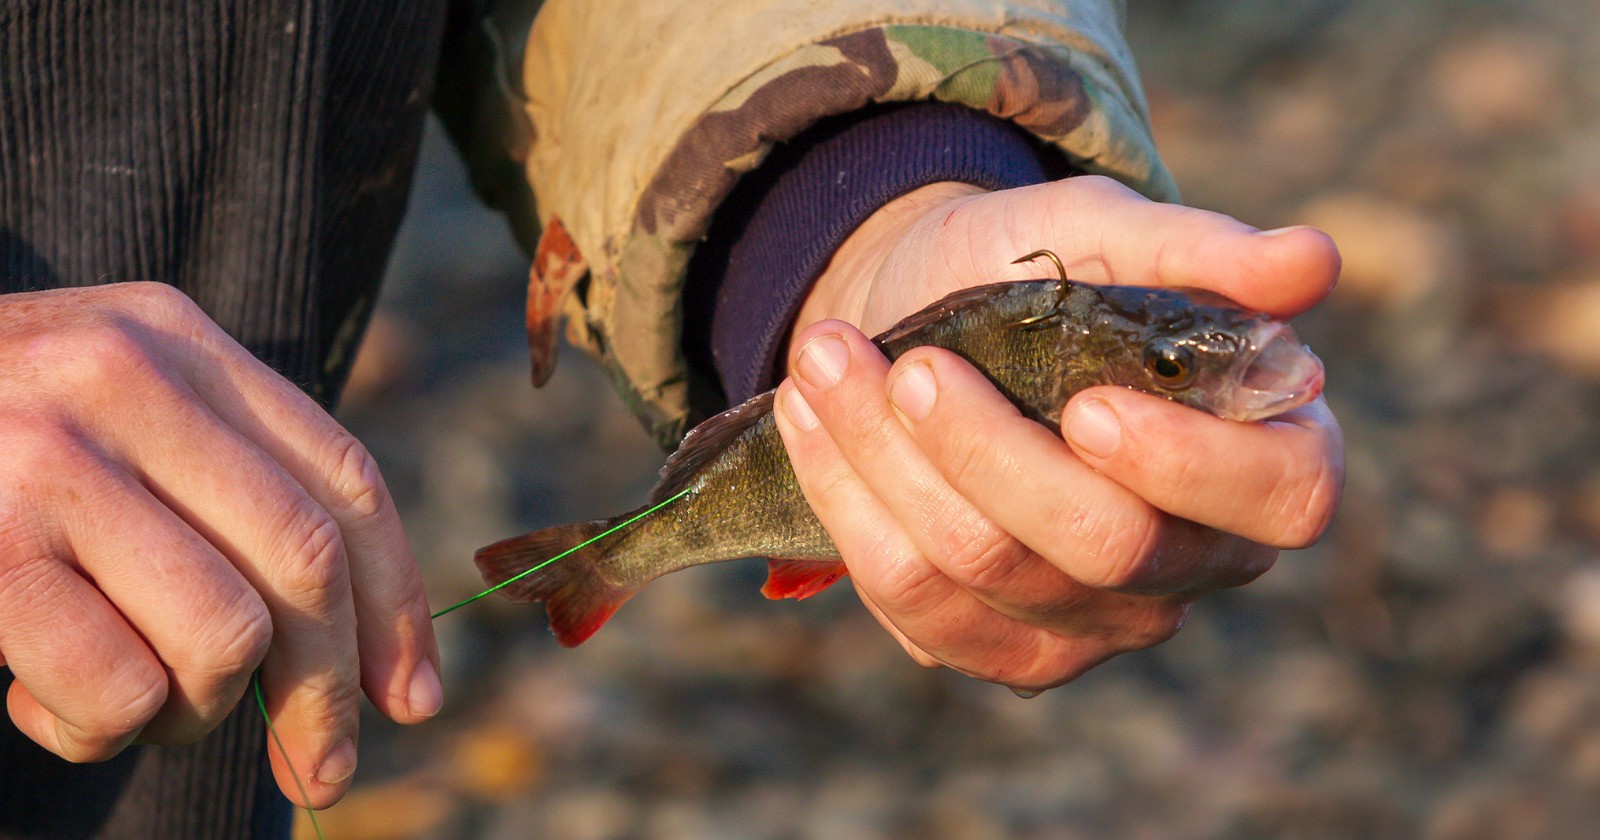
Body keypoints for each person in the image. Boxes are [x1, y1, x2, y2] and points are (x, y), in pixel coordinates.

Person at [0, 0, 1343, 836]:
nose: (1207, 369)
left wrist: (858, 194)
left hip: (200, 724)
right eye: (1181, 366)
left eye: (1176, 363)